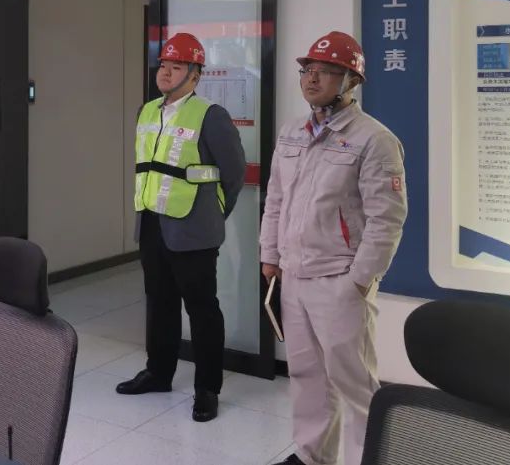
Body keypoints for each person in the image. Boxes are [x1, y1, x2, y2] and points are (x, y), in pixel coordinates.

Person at [262, 31, 406, 465]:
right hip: (293, 275)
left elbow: (386, 219)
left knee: (355, 383)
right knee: (306, 376)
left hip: (339, 279)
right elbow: (276, 198)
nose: (312, 78)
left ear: (351, 81)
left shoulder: (374, 139)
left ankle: (368, 458)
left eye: (325, 71)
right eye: (308, 70)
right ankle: (312, 456)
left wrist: (359, 280)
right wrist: (270, 256)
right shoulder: (292, 132)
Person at [115, 32, 246, 424]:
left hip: (194, 226)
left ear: (195, 74)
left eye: (176, 66)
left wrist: (215, 212)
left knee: (202, 309)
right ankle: (158, 372)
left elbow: (234, 173)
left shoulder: (210, 115)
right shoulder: (147, 111)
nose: (166, 72)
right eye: (163, 65)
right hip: (151, 221)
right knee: (159, 302)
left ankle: (207, 388)